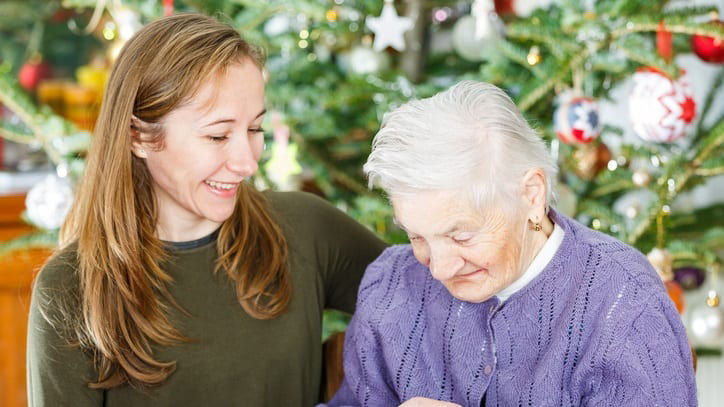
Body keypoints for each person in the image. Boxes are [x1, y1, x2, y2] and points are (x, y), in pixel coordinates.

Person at [27, 13, 386, 406]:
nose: (247, 163)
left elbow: (437, 306)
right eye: (217, 135)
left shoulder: (307, 229)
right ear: (138, 137)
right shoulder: (68, 290)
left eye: (254, 130)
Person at [326, 81, 697, 406]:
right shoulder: (390, 284)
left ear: (531, 195)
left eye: (460, 235)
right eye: (416, 236)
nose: (439, 268)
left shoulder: (624, 304)